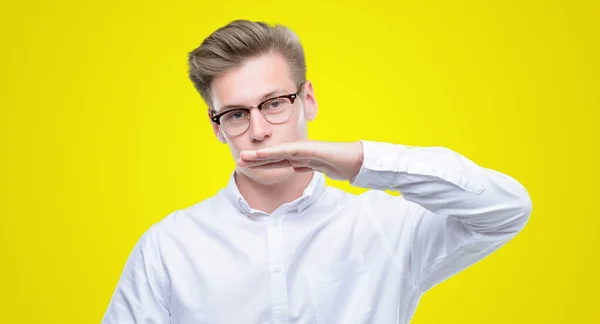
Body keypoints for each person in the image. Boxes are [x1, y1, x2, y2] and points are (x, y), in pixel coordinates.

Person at [101, 19, 532, 324]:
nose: (258, 131)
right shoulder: (169, 248)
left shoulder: (384, 226)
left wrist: (359, 161)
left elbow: (506, 210)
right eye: (235, 113)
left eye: (274, 103)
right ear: (216, 127)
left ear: (307, 100)